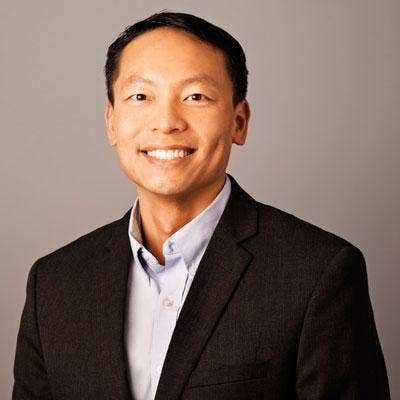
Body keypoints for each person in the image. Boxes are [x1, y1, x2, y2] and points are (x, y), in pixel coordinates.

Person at [13, 11, 390, 400]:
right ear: (111, 121)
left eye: (196, 96)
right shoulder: (54, 283)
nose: (166, 122)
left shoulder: (317, 272)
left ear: (239, 122)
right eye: (140, 96)